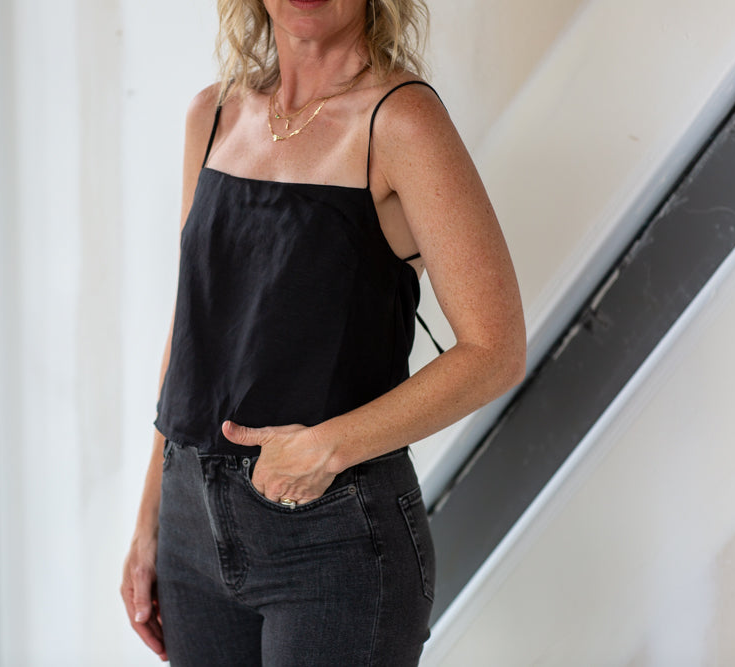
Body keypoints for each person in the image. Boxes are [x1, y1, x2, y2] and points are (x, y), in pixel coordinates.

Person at [121, 0, 526, 664]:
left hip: (334, 541)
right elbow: (193, 324)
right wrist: (150, 521)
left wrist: (328, 447)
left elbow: (496, 349)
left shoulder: (400, 122)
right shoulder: (212, 115)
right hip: (189, 530)